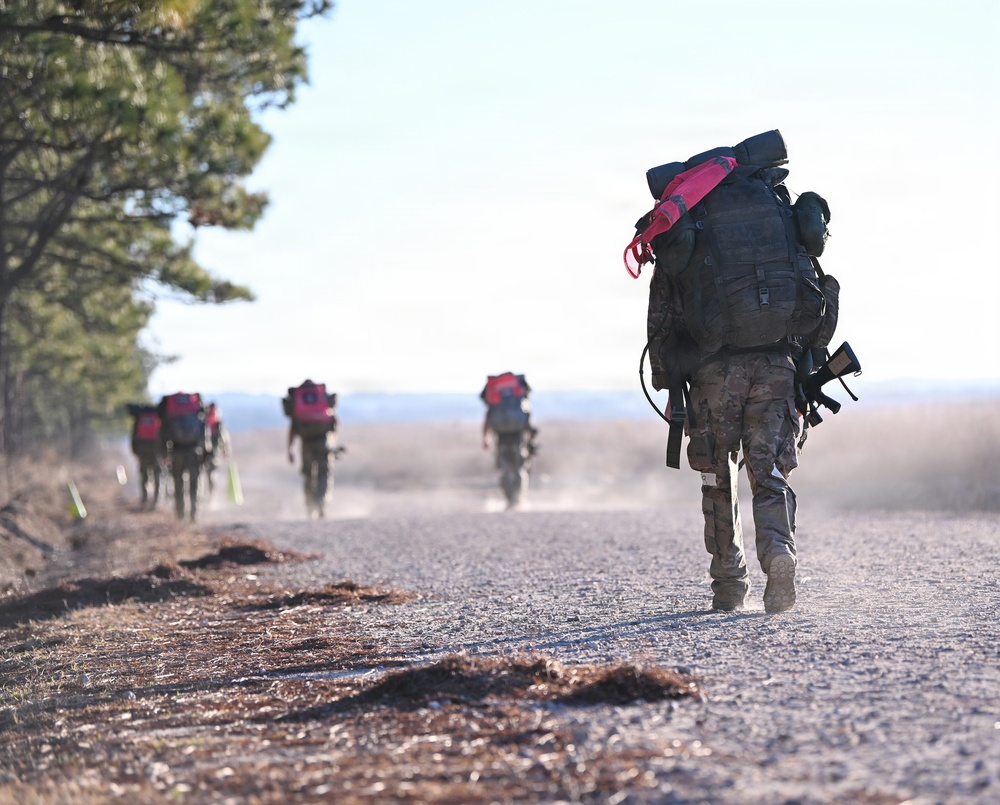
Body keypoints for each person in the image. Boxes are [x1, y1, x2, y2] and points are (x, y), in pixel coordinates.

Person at [636, 130, 839, 614]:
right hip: (776, 365)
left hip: (711, 375)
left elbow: (661, 319)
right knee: (768, 470)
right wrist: (805, 366)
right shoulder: (778, 213)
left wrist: (670, 385)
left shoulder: (687, 224)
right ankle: (779, 555)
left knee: (716, 478)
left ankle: (729, 582)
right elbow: (812, 294)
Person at [480, 372, 539, 509]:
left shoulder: (495, 401)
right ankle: (518, 500)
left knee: (504, 468)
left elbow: (487, 419)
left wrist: (485, 438)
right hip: (518, 436)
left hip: (500, 436)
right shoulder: (520, 400)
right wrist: (531, 436)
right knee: (519, 468)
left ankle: (510, 500)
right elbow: (529, 418)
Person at [284, 380, 340, 518]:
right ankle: (320, 502)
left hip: (306, 442)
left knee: (308, 476)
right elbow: (335, 423)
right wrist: (333, 443)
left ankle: (310, 507)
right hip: (324, 441)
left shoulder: (299, 407)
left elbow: (292, 429)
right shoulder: (323, 402)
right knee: (324, 474)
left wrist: (290, 450)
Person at [157, 391, 207, 521]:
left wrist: (164, 453)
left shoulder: (171, 410)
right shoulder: (195, 409)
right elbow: (204, 431)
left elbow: (163, 434)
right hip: (194, 451)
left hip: (176, 451)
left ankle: (180, 514)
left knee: (178, 483)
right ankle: (194, 514)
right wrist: (205, 452)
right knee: (194, 484)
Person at [127, 404, 162, 509]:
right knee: (157, 476)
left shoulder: (139, 418)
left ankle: (145, 498)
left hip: (143, 452)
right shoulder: (157, 418)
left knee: (144, 476)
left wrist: (135, 452)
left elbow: (134, 437)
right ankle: (156, 500)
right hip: (156, 452)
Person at [202, 402, 231, 497]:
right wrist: (225, 451)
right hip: (212, 453)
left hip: (204, 452)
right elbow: (224, 438)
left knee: (203, 475)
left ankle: (205, 496)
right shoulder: (217, 423)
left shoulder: (204, 422)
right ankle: (210, 497)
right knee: (211, 476)